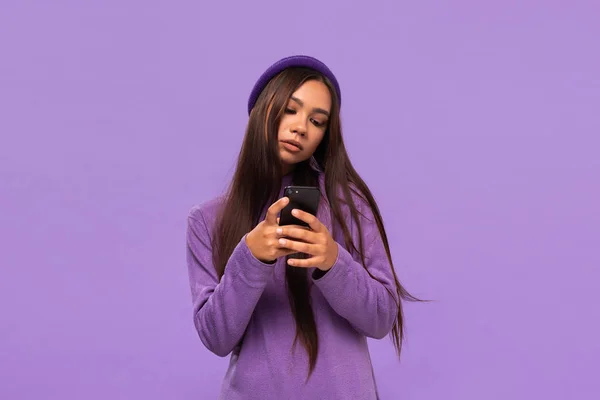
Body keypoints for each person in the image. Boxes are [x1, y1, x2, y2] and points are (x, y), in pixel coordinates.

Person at [186, 55, 418, 400]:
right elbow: (216, 337)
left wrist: (332, 261)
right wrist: (250, 258)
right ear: (262, 109)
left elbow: (381, 319)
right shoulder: (208, 220)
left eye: (317, 120)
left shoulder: (349, 206)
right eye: (291, 110)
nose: (301, 128)